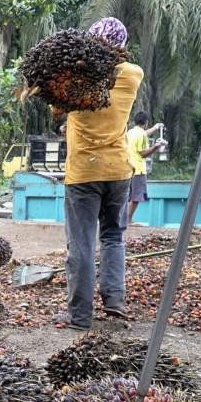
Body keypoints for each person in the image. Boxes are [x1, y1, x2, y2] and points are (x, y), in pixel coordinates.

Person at [58, 17, 144, 330]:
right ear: (122, 47)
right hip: (120, 170)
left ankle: (80, 317)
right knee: (113, 236)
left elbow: (55, 104)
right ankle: (114, 300)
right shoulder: (133, 75)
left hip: (83, 172)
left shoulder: (72, 81)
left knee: (81, 244)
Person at [126, 110, 164, 225]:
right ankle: (128, 220)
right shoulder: (141, 135)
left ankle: (123, 219)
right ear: (146, 122)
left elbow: (144, 133)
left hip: (128, 169)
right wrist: (156, 146)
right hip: (138, 170)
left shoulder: (130, 132)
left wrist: (156, 127)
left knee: (127, 197)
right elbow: (143, 153)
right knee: (136, 197)